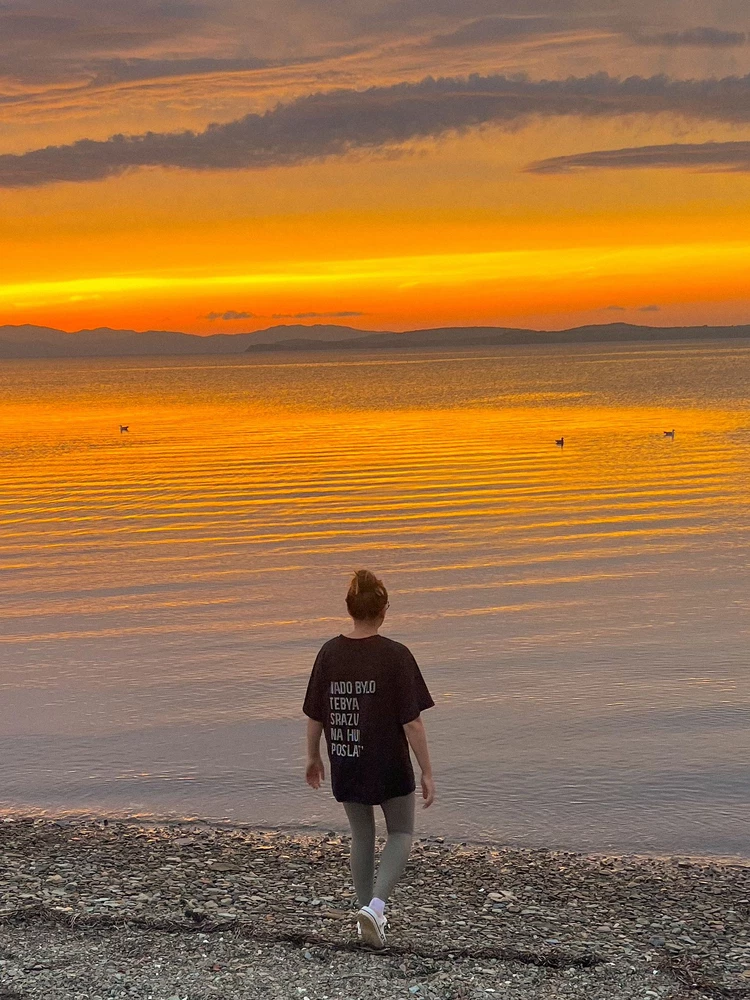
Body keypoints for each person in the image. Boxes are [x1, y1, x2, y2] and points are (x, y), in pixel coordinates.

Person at [303, 569, 435, 948]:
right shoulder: (396, 656)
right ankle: (375, 909)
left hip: (346, 755)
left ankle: (367, 915)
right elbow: (412, 723)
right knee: (401, 833)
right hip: (387, 762)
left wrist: (313, 757)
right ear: (384, 610)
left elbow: (316, 714)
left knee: (362, 835)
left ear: (350, 608)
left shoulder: (329, 652)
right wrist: (427, 770)